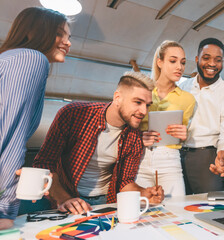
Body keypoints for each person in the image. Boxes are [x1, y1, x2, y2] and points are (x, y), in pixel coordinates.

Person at [32, 71, 164, 215]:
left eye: (148, 105)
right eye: (138, 102)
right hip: (65, 194)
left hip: (106, 201)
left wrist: (143, 193)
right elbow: (44, 163)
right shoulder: (73, 114)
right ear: (117, 98)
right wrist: (65, 199)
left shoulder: (135, 137)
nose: (143, 111)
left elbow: (125, 181)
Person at [0, 7, 71, 230]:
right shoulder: (31, 59)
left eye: (69, 37)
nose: (68, 43)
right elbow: (10, 136)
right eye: (60, 33)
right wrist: (5, 207)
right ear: (35, 31)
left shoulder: (11, 58)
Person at [179, 38, 224, 194]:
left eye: (218, 60)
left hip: (208, 157)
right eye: (206, 58)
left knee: (208, 208)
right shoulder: (182, 87)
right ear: (197, 59)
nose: (212, 64)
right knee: (176, 206)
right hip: (176, 155)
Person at [135, 40, 195, 197]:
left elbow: (182, 136)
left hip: (170, 160)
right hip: (140, 159)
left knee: (177, 212)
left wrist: (184, 136)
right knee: (141, 212)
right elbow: (125, 125)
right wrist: (139, 138)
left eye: (182, 63)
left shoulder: (188, 99)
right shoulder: (141, 90)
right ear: (159, 62)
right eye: (173, 61)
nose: (179, 67)